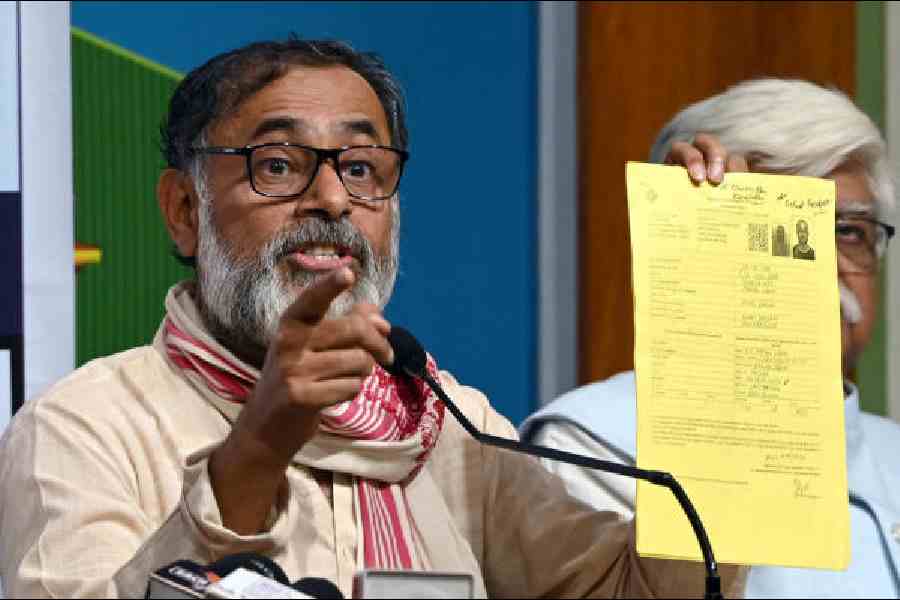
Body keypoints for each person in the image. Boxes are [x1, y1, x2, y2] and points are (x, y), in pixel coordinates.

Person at [0, 39, 745, 598]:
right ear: (185, 210)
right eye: (281, 165)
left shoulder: (449, 423)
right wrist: (258, 445)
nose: (331, 200)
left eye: (360, 169)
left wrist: (710, 320)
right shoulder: (84, 428)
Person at [521, 78, 900, 598]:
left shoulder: (894, 454)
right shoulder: (592, 443)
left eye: (850, 231)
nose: (826, 264)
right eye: (783, 225)